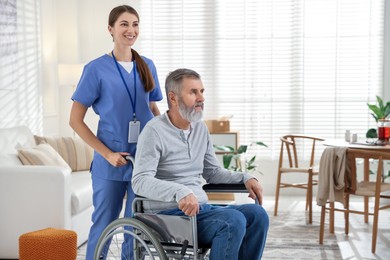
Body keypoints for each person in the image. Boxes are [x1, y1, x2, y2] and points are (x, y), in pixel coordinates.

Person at [132, 68, 269, 260]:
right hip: (167, 216)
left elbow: (212, 172)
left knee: (257, 215)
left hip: (199, 211)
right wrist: (180, 191)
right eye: (193, 92)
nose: (201, 98)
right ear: (173, 98)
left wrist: (245, 177)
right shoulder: (154, 131)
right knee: (232, 221)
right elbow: (140, 181)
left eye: (202, 91)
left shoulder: (200, 128)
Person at [69, 5, 163, 260]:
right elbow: (75, 121)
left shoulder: (148, 65)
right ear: (110, 29)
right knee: (103, 225)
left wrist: (168, 140)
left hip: (143, 162)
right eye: (124, 24)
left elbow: (153, 109)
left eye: (135, 24)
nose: (130, 30)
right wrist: (108, 154)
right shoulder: (95, 69)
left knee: (138, 227)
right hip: (110, 161)